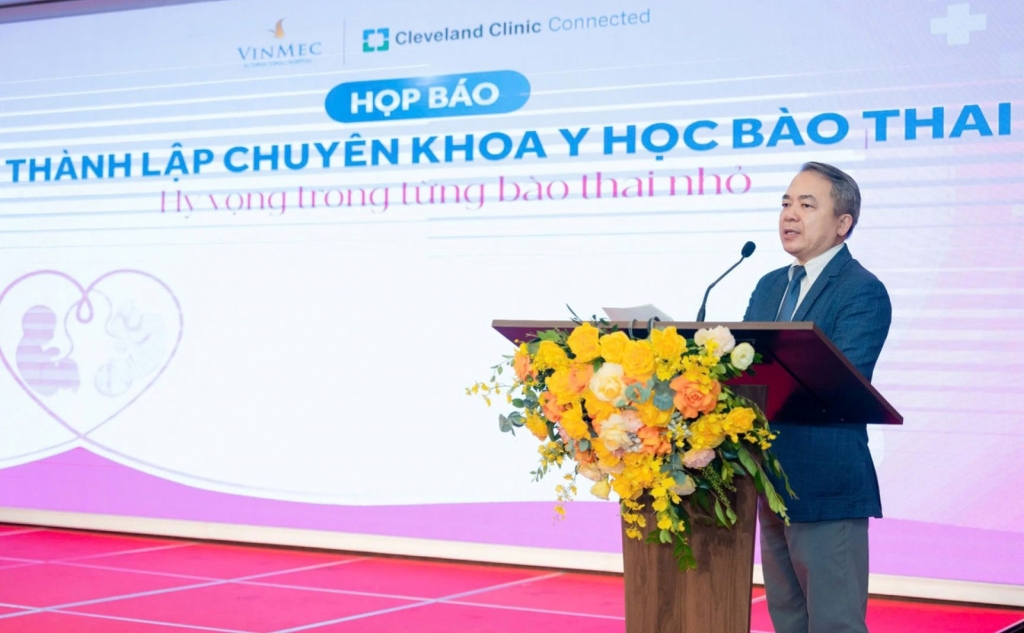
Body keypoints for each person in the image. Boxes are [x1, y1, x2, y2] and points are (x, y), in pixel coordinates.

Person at [743, 162, 892, 633]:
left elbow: (840, 383)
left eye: (807, 205)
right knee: (787, 621)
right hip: (769, 482)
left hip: (826, 485)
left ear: (843, 223)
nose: (790, 214)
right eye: (786, 203)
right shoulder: (770, 285)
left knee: (834, 624)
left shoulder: (861, 291)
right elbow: (742, 373)